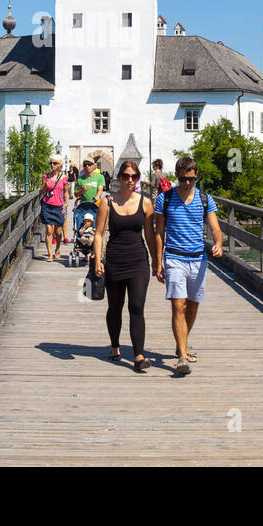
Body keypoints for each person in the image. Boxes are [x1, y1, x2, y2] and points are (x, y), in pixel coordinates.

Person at [153, 155, 223, 377]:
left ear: (196, 177)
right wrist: (157, 261)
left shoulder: (205, 199)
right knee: (178, 305)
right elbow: (159, 233)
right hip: (174, 257)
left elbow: (215, 227)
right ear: (177, 176)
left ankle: (180, 342)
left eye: (191, 180)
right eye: (183, 179)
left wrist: (219, 243)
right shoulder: (164, 199)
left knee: (192, 306)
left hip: (198, 259)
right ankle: (182, 357)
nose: (187, 183)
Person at [94, 159, 157, 371]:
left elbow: (150, 234)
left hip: (138, 260)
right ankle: (115, 345)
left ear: (138, 179)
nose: (129, 180)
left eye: (134, 176)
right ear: (119, 178)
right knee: (115, 307)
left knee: (137, 306)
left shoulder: (145, 202)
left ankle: (139, 355)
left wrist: (157, 260)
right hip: (114, 261)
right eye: (126, 176)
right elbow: (99, 233)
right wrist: (97, 260)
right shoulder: (107, 202)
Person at [73, 158, 106, 236]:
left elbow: (100, 189)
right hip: (84, 206)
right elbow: (75, 194)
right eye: (85, 165)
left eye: (89, 164)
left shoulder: (99, 177)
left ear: (94, 166)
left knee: (98, 225)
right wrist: (81, 190)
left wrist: (97, 196)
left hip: (96, 204)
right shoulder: (80, 179)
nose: (87, 166)